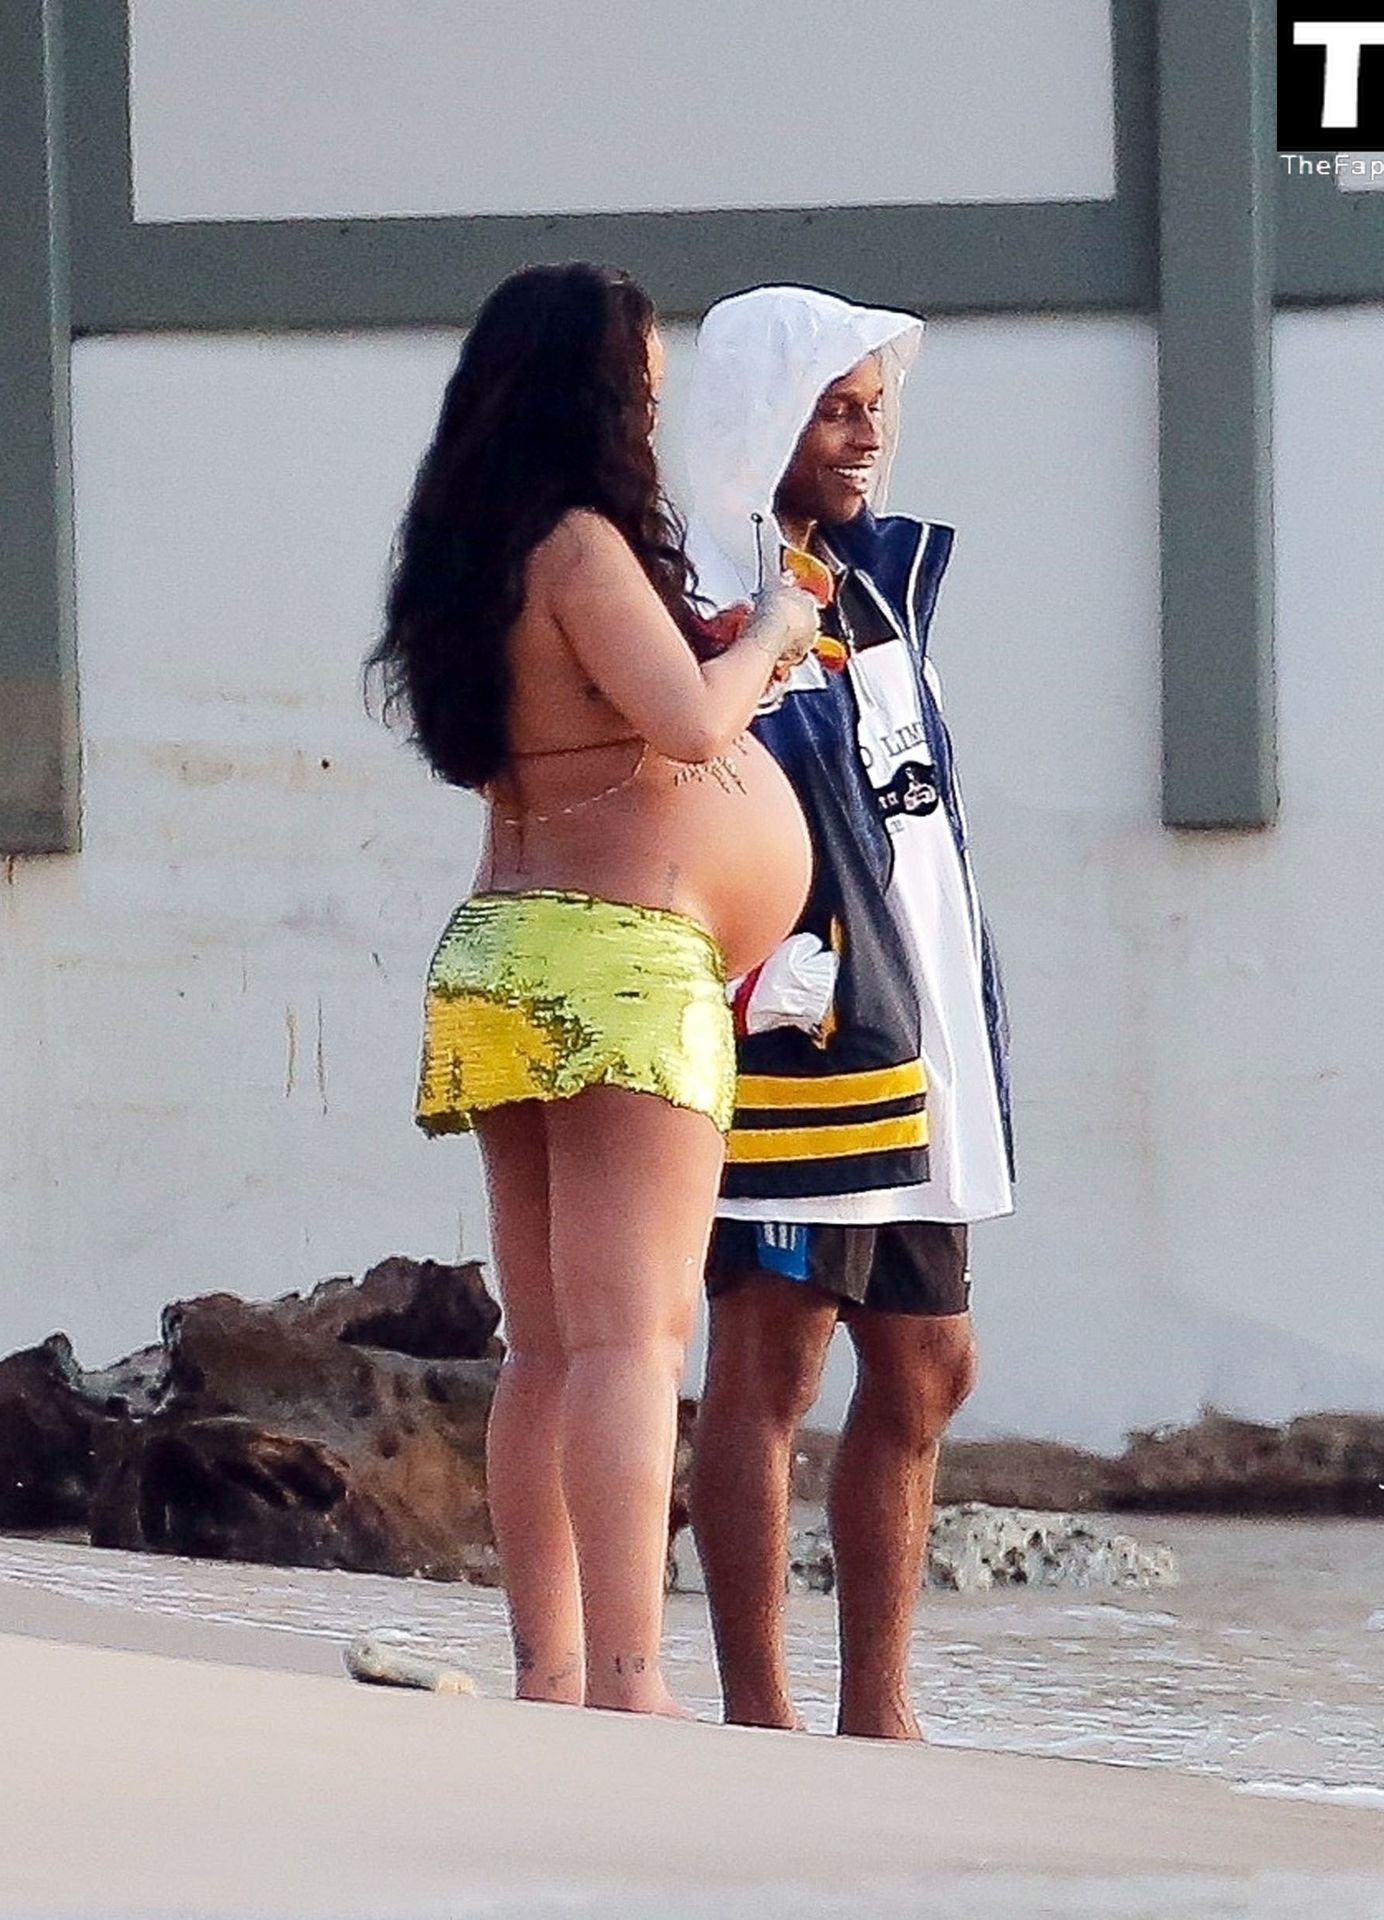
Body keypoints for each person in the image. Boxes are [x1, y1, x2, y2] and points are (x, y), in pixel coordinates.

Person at [368, 263, 820, 1717]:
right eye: (644, 388)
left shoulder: (470, 555)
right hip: (618, 963)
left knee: (547, 1344)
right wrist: (773, 634)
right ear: (596, 396)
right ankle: (631, 1677)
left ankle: (550, 1668)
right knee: (634, 1338)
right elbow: (687, 727)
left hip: (495, 950)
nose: (655, 413)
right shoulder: (577, 544)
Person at [683, 286, 1014, 1740]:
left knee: (930, 1362)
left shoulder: (870, 584)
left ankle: (879, 1711)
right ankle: (760, 1712)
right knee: (773, 1358)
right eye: (833, 407)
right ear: (761, 420)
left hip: (919, 1027)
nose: (867, 433)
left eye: (874, 404)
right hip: (795, 1038)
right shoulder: (701, 594)